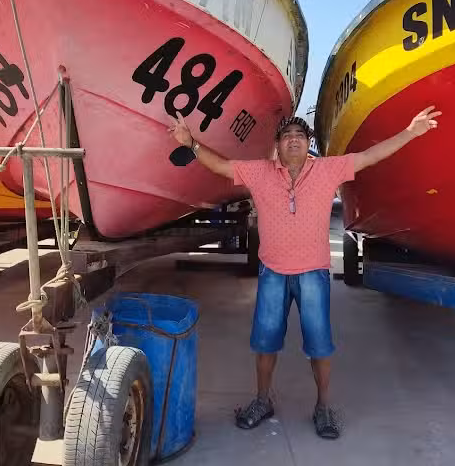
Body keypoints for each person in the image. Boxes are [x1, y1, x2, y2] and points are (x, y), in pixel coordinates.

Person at [168, 105, 441, 439]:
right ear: (277, 146)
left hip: (313, 273)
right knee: (265, 343)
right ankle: (262, 400)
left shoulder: (327, 170)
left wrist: (410, 132)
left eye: (300, 136)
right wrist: (191, 143)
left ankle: (323, 407)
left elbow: (370, 156)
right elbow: (222, 166)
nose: (293, 141)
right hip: (272, 273)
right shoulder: (259, 172)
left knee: (320, 346)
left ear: (308, 142)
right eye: (286, 137)